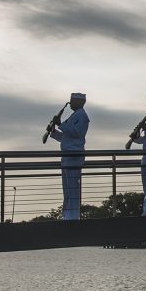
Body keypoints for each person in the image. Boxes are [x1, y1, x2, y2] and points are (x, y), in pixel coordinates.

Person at [48, 92, 90, 220]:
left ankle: (73, 217)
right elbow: (67, 137)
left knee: (73, 190)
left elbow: (77, 133)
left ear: (80, 102)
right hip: (67, 156)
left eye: (72, 100)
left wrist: (60, 124)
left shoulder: (82, 116)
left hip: (74, 156)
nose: (70, 103)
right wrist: (54, 132)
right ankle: (67, 216)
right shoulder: (75, 115)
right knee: (67, 191)